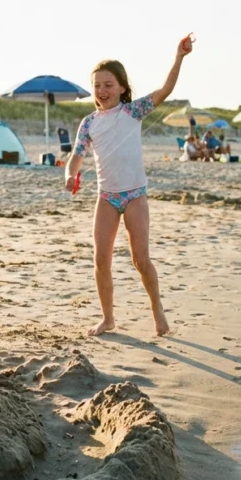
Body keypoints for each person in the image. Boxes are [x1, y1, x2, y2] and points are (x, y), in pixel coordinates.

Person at [64, 35, 193, 337]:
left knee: (140, 259)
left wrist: (179, 57)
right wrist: (70, 174)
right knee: (100, 258)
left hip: (135, 194)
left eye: (108, 84)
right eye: (97, 85)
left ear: (122, 87)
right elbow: (76, 156)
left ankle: (157, 309)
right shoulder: (89, 123)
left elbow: (166, 89)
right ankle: (108, 318)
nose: (102, 90)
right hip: (107, 197)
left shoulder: (133, 111)